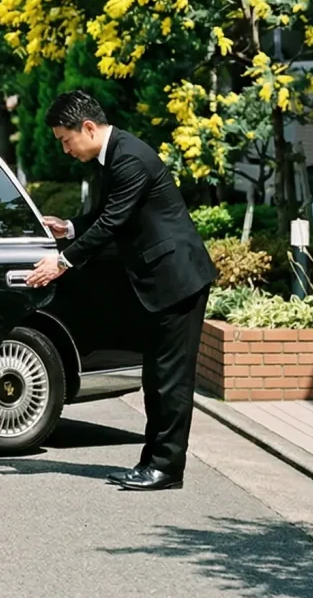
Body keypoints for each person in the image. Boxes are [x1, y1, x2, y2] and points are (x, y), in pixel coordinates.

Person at [28, 90, 215, 491]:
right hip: (160, 281)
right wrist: (70, 228)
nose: (65, 149)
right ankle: (153, 463)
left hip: (177, 279)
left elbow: (113, 221)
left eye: (66, 139)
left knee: (171, 379)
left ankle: (166, 468)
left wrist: (62, 262)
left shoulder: (129, 156)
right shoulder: (113, 155)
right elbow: (106, 213)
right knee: (157, 377)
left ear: (89, 127)